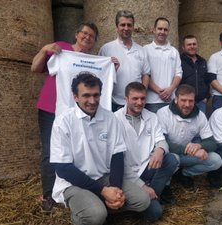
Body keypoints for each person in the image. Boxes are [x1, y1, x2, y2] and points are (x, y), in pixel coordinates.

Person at [50, 73, 150, 225]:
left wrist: (115, 190)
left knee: (143, 201)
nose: (92, 101)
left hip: (104, 177)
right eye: (86, 96)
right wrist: (103, 191)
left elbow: (117, 156)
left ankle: (97, 209)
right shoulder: (63, 122)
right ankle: (85, 216)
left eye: (96, 95)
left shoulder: (110, 118)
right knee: (96, 215)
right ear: (75, 97)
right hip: (73, 183)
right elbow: (63, 168)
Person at [31, 22, 100, 211]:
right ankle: (48, 196)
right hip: (51, 109)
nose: (87, 37)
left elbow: (100, 81)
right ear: (77, 34)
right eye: (84, 33)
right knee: (49, 151)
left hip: (75, 113)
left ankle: (67, 190)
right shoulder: (61, 49)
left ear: (94, 41)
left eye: (91, 36)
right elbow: (35, 68)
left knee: (74, 151)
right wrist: (44, 49)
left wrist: (112, 66)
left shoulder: (93, 60)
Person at [114, 82, 178, 221]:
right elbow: (117, 162)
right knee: (155, 214)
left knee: (171, 159)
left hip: (145, 168)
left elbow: (161, 139)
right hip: (125, 174)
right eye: (135, 98)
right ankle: (142, 199)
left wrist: (160, 150)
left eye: (143, 98)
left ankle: (152, 194)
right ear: (126, 99)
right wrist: (141, 186)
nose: (139, 102)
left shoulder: (151, 116)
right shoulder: (115, 120)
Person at [156, 84, 222, 188]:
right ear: (176, 99)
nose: (187, 104)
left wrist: (199, 146)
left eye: (191, 101)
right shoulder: (163, 113)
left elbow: (212, 143)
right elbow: (162, 142)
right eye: (183, 100)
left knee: (216, 160)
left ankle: (183, 173)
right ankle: (166, 186)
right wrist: (187, 150)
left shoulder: (200, 115)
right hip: (170, 155)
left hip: (187, 155)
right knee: (172, 159)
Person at [99, 10, 150, 112]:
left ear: (133, 27)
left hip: (135, 105)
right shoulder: (106, 49)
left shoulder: (141, 50)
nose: (126, 28)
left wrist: (141, 94)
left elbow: (146, 74)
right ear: (117, 27)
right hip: (113, 103)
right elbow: (99, 75)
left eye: (129, 25)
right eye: (122, 25)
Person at [144, 17, 182, 113]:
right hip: (152, 101)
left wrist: (170, 90)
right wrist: (159, 91)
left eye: (165, 29)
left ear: (168, 31)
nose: (162, 32)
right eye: (160, 29)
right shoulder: (145, 50)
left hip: (171, 100)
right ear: (154, 30)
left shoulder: (174, 51)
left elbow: (178, 74)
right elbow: (144, 74)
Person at [180, 35, 210, 114]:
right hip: (185, 102)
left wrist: (206, 97)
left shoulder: (202, 61)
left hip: (201, 103)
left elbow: (207, 80)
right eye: (189, 45)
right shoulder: (179, 61)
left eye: (194, 44)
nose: (192, 46)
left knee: (200, 125)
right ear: (183, 47)